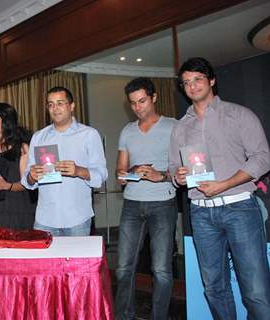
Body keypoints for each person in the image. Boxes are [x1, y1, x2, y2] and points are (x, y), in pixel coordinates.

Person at [169, 57, 270, 319]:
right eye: (186, 82)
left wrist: (225, 183)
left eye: (198, 79)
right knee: (214, 288)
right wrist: (178, 176)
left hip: (240, 207)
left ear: (212, 80)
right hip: (201, 214)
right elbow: (172, 167)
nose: (192, 86)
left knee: (256, 290)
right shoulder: (180, 127)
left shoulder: (239, 115)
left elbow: (262, 157)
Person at [114, 77, 177, 320]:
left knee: (161, 270)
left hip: (163, 203)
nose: (138, 107)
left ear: (154, 98)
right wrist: (132, 172)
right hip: (131, 204)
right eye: (133, 103)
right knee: (122, 269)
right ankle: (124, 316)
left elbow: (186, 171)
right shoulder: (127, 131)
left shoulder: (173, 127)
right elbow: (120, 175)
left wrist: (159, 175)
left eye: (142, 101)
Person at [22, 86, 107, 236]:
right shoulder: (38, 137)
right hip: (45, 219)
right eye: (50, 104)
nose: (55, 108)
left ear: (72, 106)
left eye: (60, 103)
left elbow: (101, 175)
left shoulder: (89, 135)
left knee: (77, 260)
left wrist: (79, 171)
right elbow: (27, 179)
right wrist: (31, 176)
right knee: (44, 260)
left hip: (77, 218)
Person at [0, 103, 36, 230]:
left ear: (6, 122)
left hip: (16, 207)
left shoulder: (22, 148)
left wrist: (6, 186)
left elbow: (27, 184)